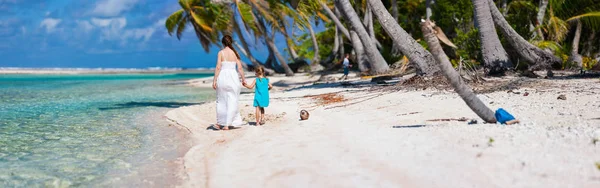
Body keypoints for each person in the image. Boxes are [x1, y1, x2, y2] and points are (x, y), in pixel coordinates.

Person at [212, 35, 246, 130]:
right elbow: (239, 68)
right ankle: (228, 124)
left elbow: (218, 67)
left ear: (223, 43)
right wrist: (243, 79)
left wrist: (214, 80)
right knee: (233, 100)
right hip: (233, 78)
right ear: (231, 42)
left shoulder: (221, 53)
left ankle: (220, 123)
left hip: (223, 77)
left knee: (221, 100)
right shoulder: (235, 53)